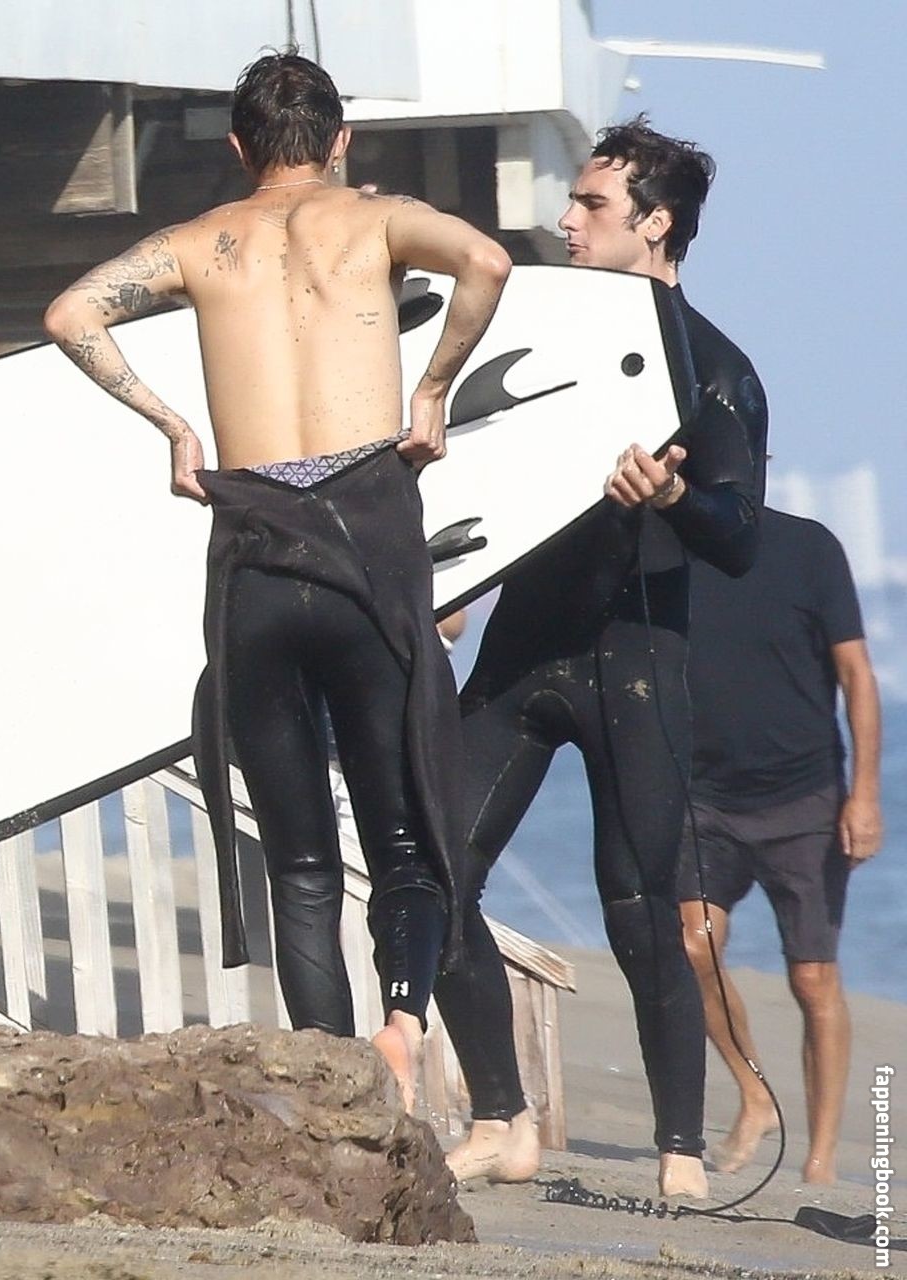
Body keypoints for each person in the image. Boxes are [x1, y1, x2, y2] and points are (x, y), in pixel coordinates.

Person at [43, 50, 511, 1110]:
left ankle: (327, 1088)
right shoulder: (379, 220)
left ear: (238, 148)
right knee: (405, 839)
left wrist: (174, 427)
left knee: (299, 861)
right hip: (365, 544)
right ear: (342, 140)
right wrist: (433, 389)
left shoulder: (200, 242)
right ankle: (402, 1023)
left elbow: (71, 315)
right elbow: (486, 260)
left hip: (255, 551)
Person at [432, 118, 767, 1199]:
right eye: (573, 202)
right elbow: (471, 458)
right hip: (525, 648)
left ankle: (679, 1149)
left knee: (639, 905)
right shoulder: (542, 329)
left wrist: (673, 494)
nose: (567, 220)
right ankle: (501, 1118)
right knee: (435, 873)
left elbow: (739, 533)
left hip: (637, 657)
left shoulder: (714, 368)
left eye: (591, 205)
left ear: (655, 224)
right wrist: (444, 579)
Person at [678, 507, 884, 1183]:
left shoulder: (809, 547)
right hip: (705, 798)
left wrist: (865, 794)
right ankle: (755, 1093)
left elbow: (856, 674)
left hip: (804, 799)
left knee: (812, 979)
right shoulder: (671, 547)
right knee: (694, 945)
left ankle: (819, 1161)